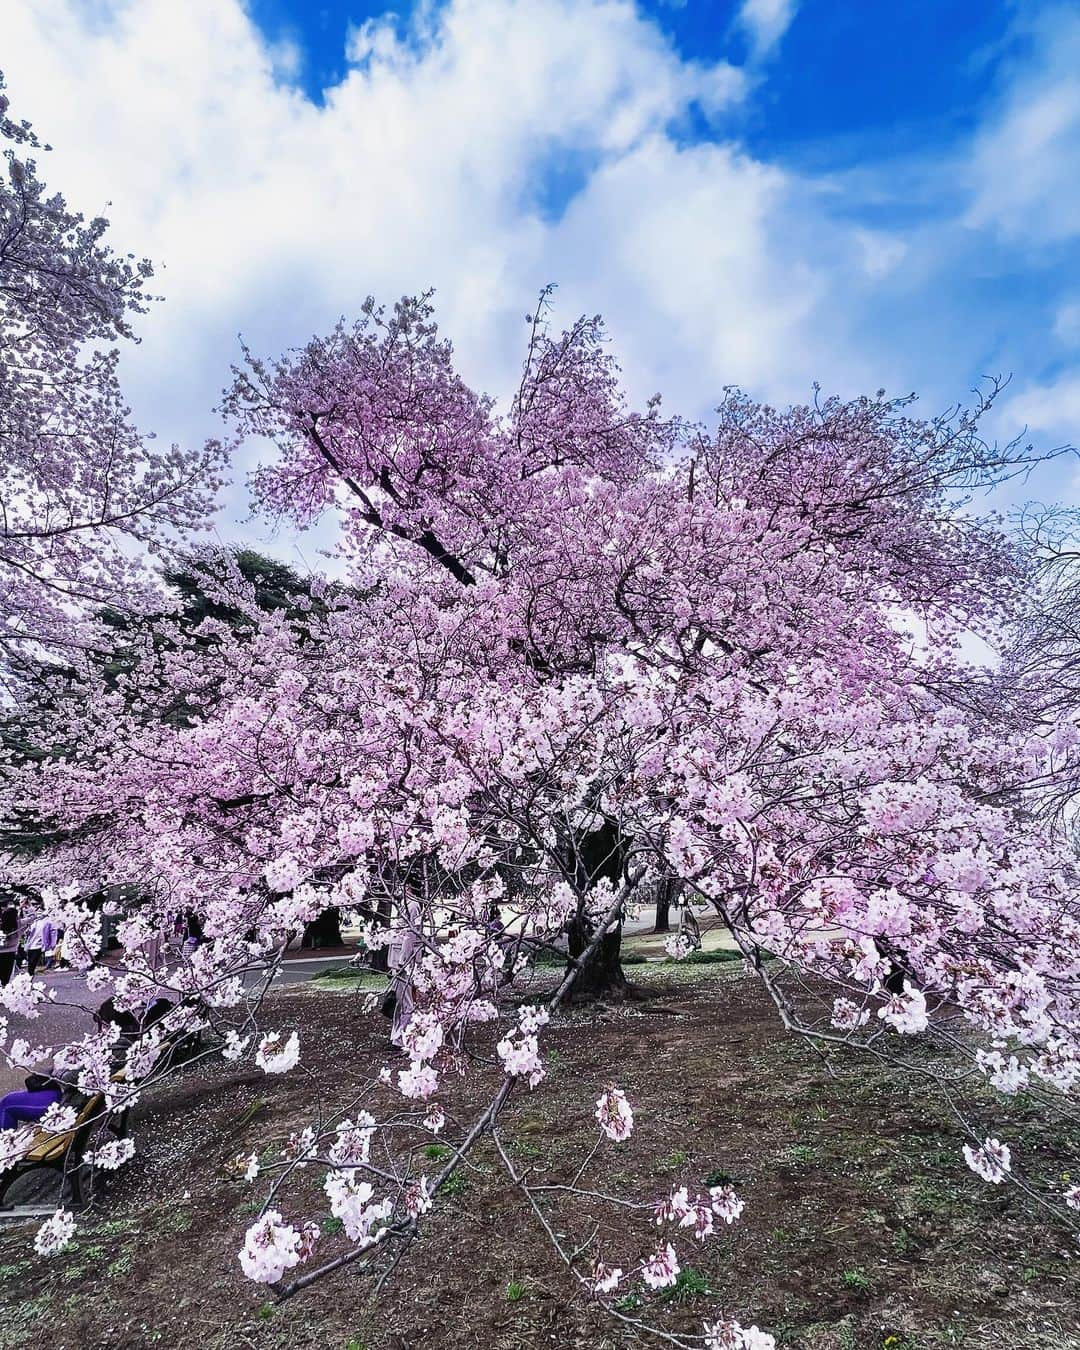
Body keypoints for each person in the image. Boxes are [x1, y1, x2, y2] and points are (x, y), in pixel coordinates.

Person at [388, 895, 422, 1049]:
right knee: (399, 1001)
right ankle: (396, 1037)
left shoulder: (413, 905)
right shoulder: (404, 903)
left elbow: (410, 935)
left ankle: (403, 1039)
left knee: (406, 1002)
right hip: (397, 962)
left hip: (405, 963)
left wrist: (403, 960)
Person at [0, 904, 21, 987]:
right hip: (11, 952)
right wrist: (28, 907)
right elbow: (33, 917)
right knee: (6, 976)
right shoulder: (18, 924)